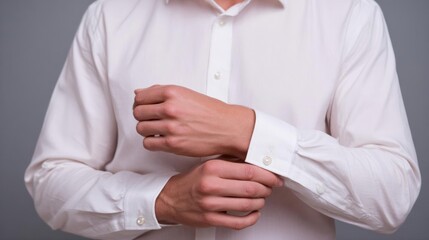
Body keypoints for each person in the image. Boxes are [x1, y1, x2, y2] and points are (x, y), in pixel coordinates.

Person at [25, 0, 421, 239]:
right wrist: (164, 200)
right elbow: (50, 182)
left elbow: (391, 195)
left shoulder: (348, 14)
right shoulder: (111, 16)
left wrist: (246, 131)